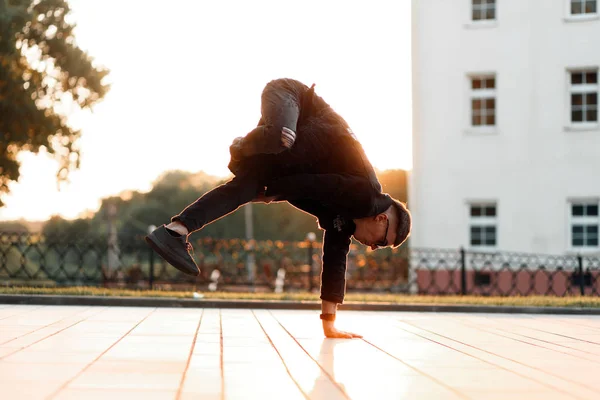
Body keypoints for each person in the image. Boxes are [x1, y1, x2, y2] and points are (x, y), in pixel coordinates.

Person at [145, 78, 412, 339]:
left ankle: (175, 231)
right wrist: (271, 193)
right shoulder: (365, 193)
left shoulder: (347, 218)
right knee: (283, 143)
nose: (372, 247)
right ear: (381, 219)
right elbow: (310, 185)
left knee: (249, 185)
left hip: (298, 145)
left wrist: (329, 324)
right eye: (381, 243)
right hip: (291, 97)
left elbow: (334, 260)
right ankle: (240, 147)